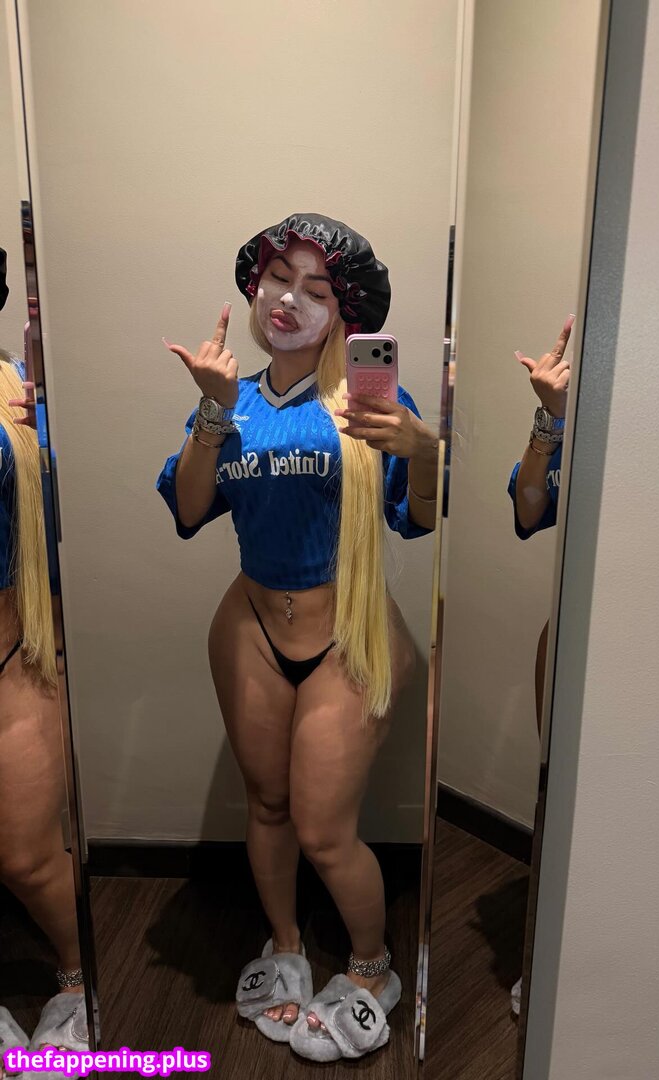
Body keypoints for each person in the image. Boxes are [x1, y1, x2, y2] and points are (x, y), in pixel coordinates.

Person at [158, 213, 439, 1063]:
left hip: (347, 635)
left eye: (315, 289)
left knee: (324, 829)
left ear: (345, 312)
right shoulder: (233, 401)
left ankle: (372, 968)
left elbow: (419, 520)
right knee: (269, 805)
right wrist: (212, 412)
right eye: (278, 279)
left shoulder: (371, 402)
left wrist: (424, 451)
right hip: (248, 628)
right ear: (254, 288)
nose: (289, 300)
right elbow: (189, 510)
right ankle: (285, 945)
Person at [0, 349, 86, 1078]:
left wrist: (55, 435)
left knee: (26, 856)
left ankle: (79, 976)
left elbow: (72, 525)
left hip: (12, 652)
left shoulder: (18, 393)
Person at [507, 314, 573, 1016]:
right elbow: (529, 511)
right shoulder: (586, 422)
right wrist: (550, 419)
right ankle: (548, 956)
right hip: (572, 632)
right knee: (560, 799)